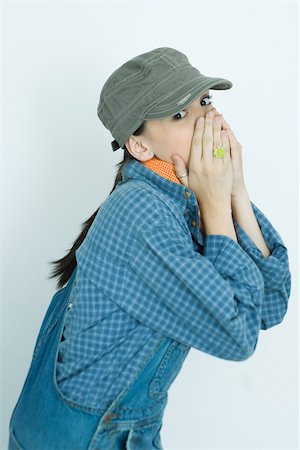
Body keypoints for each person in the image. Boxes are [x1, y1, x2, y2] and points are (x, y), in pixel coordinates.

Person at [8, 47, 291, 450]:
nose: (207, 118)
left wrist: (236, 191)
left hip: (112, 432)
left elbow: (270, 306)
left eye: (205, 101)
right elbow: (237, 335)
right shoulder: (139, 211)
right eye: (179, 114)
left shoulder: (191, 190)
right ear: (139, 146)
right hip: (81, 439)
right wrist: (216, 203)